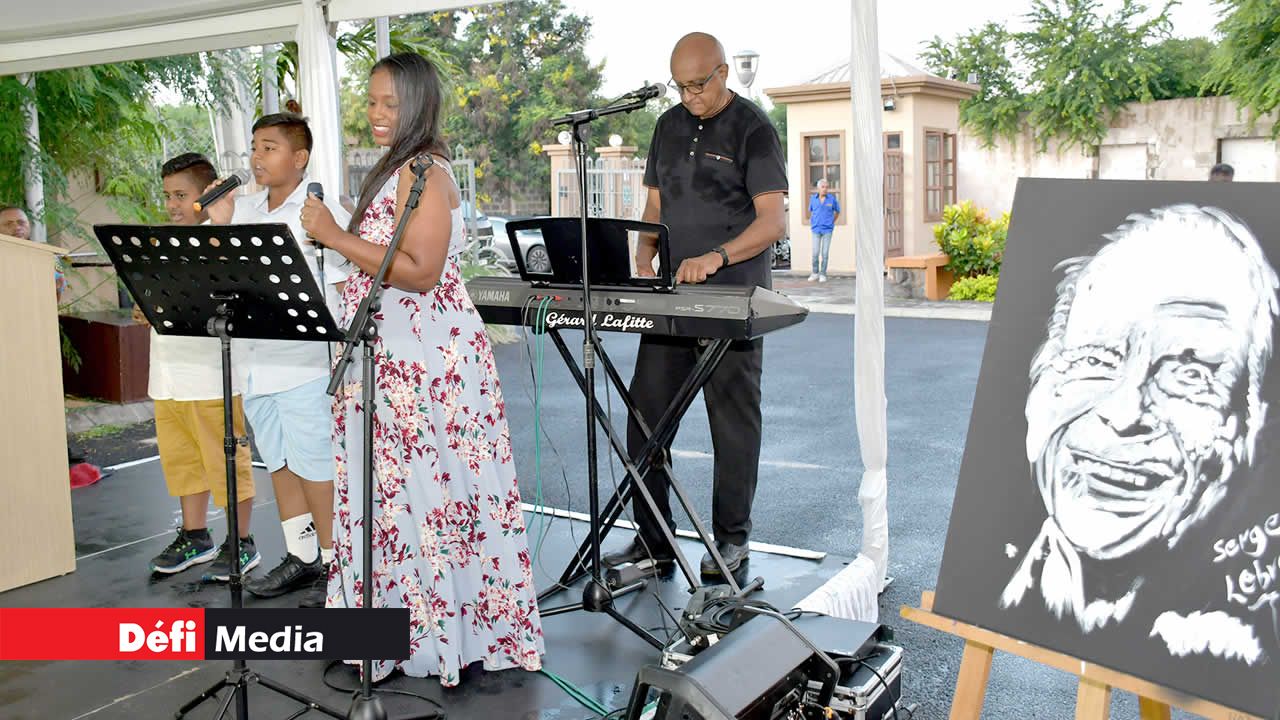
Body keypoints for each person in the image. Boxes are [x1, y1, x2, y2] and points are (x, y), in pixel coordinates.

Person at [299, 52, 544, 686]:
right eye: (373, 102)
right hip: (387, 357)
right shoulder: (396, 168)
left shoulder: (427, 173)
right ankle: (393, 629)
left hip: (422, 363)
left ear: (419, 106)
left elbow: (420, 270)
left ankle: (443, 636)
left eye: (391, 103)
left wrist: (332, 232)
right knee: (393, 497)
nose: (378, 114)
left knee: (427, 494)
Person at [1004, 204, 1278, 664]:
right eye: (1093, 360)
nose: (1124, 413)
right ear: (1042, 384)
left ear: (1245, 429)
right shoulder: (996, 571)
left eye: (1189, 376)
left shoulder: (1246, 645)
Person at [603, 32, 787, 578]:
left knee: (731, 429)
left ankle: (731, 542)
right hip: (672, 302)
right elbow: (656, 200)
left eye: (698, 85)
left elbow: (772, 221)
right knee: (645, 423)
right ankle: (654, 543)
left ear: (723, 72)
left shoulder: (754, 129)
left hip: (733, 303)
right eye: (680, 86)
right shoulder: (666, 125)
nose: (689, 96)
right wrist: (644, 251)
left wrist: (716, 256)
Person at [204, 112, 351, 606]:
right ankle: (301, 556)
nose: (256, 157)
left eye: (269, 147)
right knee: (281, 464)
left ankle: (340, 568)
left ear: (299, 158)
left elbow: (344, 282)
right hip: (254, 363)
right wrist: (221, 223)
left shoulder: (316, 211)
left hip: (304, 365)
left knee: (316, 467)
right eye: (254, 147)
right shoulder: (241, 208)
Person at [142, 153, 258, 577]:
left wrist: (219, 221)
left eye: (182, 195)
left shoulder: (222, 238)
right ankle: (195, 536)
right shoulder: (159, 241)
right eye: (167, 195)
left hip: (211, 376)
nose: (173, 204)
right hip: (168, 373)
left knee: (226, 461)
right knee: (182, 459)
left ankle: (242, 540)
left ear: (205, 195)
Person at [2, 205, 65, 300]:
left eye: (21, 223)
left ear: (29, 225)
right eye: (9, 224)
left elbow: (57, 293)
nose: (17, 227)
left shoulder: (45, 256)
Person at [807, 178, 839, 282]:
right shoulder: (813, 199)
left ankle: (823, 274)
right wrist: (813, 222)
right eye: (823, 187)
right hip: (816, 229)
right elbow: (811, 212)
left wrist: (831, 222)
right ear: (818, 188)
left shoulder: (832, 199)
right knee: (815, 253)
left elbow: (837, 211)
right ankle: (815, 273)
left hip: (827, 230)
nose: (825, 189)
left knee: (825, 253)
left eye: (826, 187)